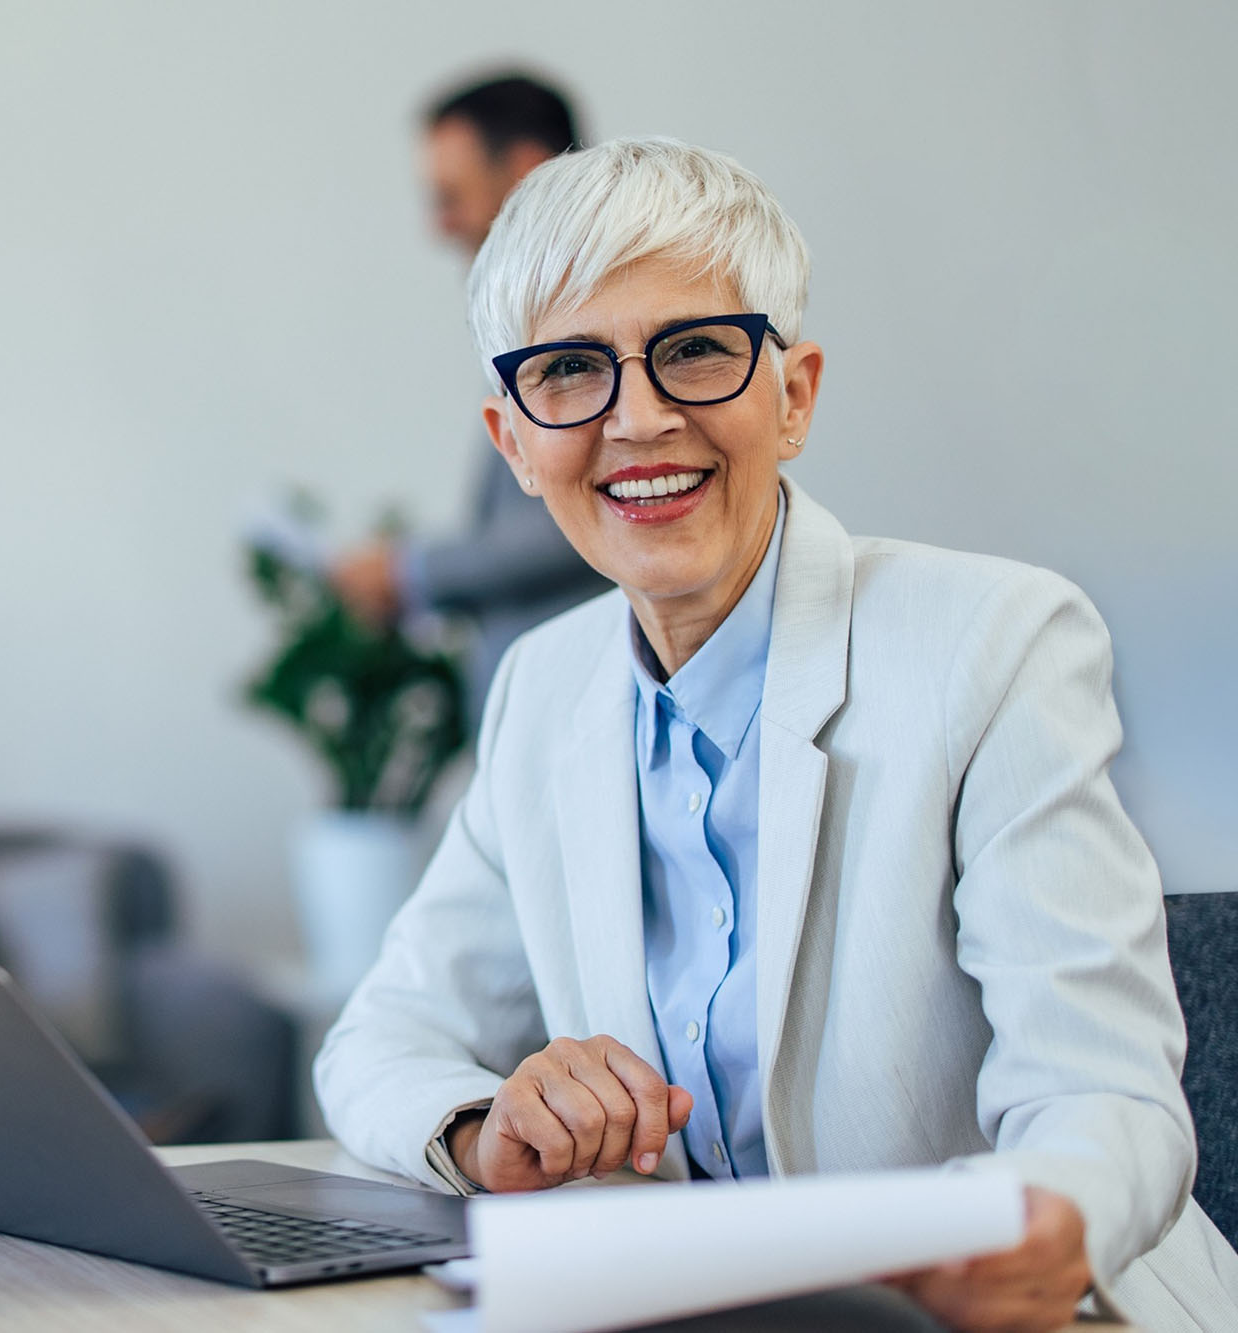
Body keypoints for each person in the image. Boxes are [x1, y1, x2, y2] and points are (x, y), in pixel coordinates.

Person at [314, 138, 1238, 1330]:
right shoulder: (543, 688)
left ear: (790, 394)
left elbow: (1102, 1096)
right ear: (514, 442)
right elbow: (381, 1038)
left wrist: (1036, 1220)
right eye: (567, 370)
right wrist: (488, 1128)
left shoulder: (994, 642)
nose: (636, 421)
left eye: (694, 352)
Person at [333, 72, 612, 727]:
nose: (441, 226)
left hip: (577, 712)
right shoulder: (541, 314)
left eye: (450, 196)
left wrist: (410, 571)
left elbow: (576, 513)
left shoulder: (593, 310)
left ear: (524, 170)